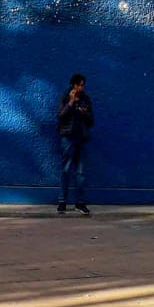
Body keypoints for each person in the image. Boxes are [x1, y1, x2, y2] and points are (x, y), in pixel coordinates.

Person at [56, 73, 94, 215]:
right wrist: (71, 102)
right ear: (74, 85)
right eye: (80, 84)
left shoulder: (86, 99)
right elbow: (60, 116)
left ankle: (80, 203)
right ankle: (62, 202)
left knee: (80, 172)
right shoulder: (65, 97)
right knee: (66, 169)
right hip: (68, 137)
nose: (82, 87)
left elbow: (91, 121)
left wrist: (84, 113)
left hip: (81, 138)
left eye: (83, 85)